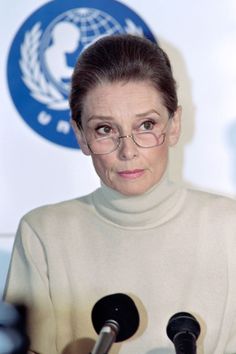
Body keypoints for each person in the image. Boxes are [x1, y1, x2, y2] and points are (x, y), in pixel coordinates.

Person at [3, 34, 236, 354]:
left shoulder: (229, 228)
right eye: (105, 129)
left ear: (174, 124)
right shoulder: (43, 234)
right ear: (81, 136)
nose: (128, 151)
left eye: (146, 125)